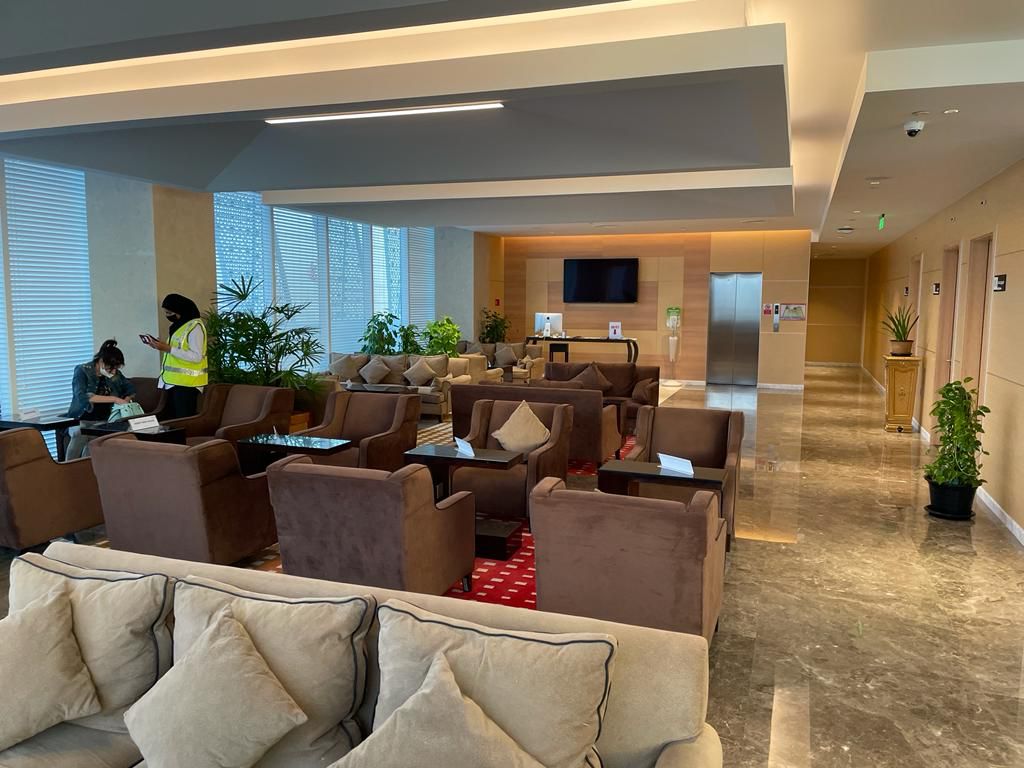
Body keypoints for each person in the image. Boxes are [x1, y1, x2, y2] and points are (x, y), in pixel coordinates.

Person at [65, 339, 136, 459]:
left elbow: (131, 389)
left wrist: (126, 400)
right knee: (80, 433)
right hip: (82, 417)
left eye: (116, 369)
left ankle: (87, 466)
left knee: (94, 441)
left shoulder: (115, 374)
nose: (113, 372)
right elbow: (82, 396)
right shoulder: (82, 370)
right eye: (110, 368)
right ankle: (69, 465)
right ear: (101, 361)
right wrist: (115, 399)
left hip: (106, 419)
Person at [143, 293, 207, 419]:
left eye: (169, 312)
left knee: (183, 421)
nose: (167, 316)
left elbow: (196, 356)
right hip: (172, 382)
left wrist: (168, 348)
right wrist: (159, 345)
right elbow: (176, 351)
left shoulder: (195, 327)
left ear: (180, 310)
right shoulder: (178, 327)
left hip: (188, 385)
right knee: (171, 420)